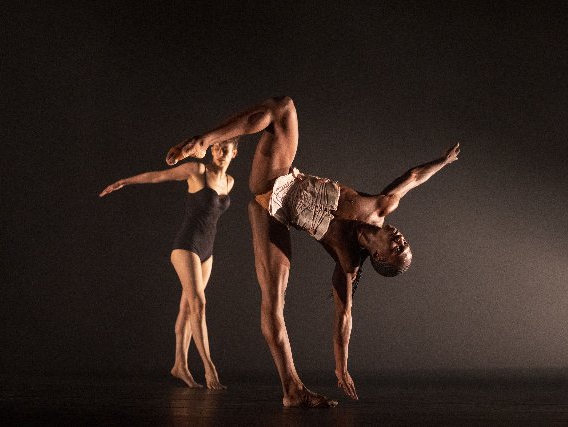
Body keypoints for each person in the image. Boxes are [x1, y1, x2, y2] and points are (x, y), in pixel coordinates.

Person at [166, 97, 460, 407]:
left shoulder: (348, 261)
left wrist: (341, 366)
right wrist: (443, 162)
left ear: (380, 257)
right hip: (281, 175)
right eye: (405, 243)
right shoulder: (380, 205)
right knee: (284, 107)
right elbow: (414, 177)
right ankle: (204, 141)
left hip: (271, 211)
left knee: (273, 302)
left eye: (398, 248)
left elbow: (344, 317)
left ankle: (292, 390)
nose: (401, 238)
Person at [100, 138, 239, 390]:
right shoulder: (197, 170)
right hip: (186, 246)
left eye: (225, 149)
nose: (219, 152)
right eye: (216, 147)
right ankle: (210, 368)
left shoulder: (230, 182)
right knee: (198, 304)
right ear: (212, 149)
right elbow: (159, 176)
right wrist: (124, 181)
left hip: (207, 252)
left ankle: (179, 365)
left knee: (187, 309)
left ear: (234, 153)